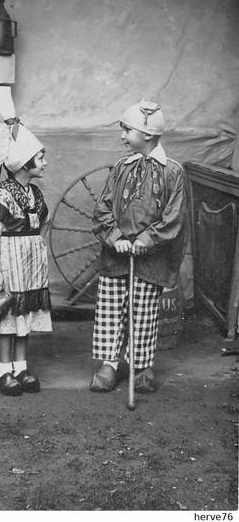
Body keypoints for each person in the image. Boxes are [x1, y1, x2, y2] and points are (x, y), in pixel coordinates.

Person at [90, 100, 187, 393]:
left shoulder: (172, 172)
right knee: (109, 310)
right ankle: (109, 363)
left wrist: (147, 240)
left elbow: (173, 217)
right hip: (116, 254)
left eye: (126, 130)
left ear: (146, 134)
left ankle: (142, 366)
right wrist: (116, 237)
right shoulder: (121, 167)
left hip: (150, 259)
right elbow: (102, 209)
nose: (122, 135)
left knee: (143, 311)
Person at [0, 87, 52, 396]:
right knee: (6, 316)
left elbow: (39, 224)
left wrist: (36, 255)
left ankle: (22, 366)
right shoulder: (3, 193)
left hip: (29, 264)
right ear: (23, 162)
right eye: (40, 157)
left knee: (24, 315)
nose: (44, 162)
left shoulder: (34, 193)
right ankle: (4, 369)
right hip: (7, 261)